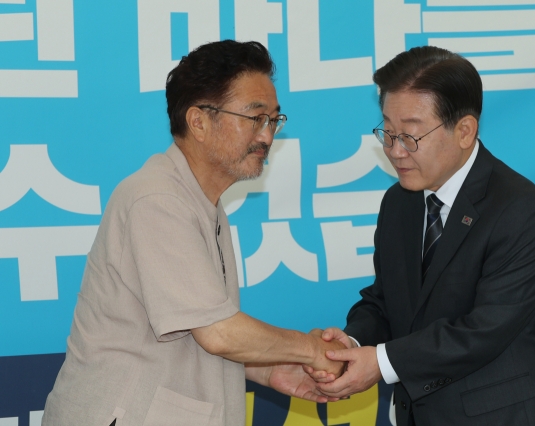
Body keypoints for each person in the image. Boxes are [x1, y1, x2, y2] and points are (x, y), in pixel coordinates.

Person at [42, 40, 345, 426]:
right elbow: (217, 332)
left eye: (274, 120)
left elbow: (193, 329)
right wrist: (311, 350)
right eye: (255, 118)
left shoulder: (202, 201)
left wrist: (271, 370)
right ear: (199, 121)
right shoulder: (156, 200)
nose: (267, 136)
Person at [308, 46, 535, 425]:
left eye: (410, 136)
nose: (395, 151)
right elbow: (386, 300)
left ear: (464, 131)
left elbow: (484, 330)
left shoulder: (519, 210)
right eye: (388, 132)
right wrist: (351, 344)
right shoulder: (399, 202)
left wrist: (380, 363)